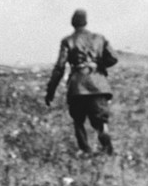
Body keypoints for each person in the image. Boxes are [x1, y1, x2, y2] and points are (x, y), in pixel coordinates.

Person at [45, 9, 118, 155]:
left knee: (78, 121)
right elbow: (113, 58)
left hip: (77, 86)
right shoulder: (99, 38)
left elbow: (59, 67)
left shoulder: (68, 41)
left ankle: (86, 150)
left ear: (73, 23)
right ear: (86, 22)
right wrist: (98, 65)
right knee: (101, 121)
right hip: (99, 85)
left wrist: (50, 91)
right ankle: (108, 149)